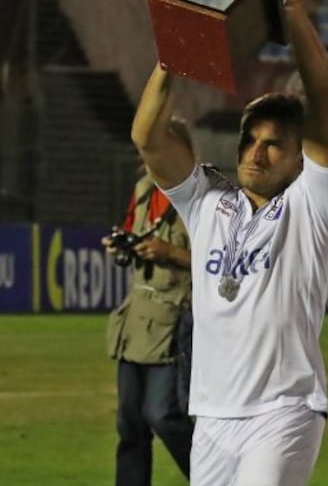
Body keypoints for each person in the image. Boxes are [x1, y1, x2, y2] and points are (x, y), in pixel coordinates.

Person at [130, 0, 328, 485]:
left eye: (273, 145)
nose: (255, 152)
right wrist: (177, 52)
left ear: (300, 158)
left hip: (284, 410)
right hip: (211, 415)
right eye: (249, 140)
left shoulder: (311, 205)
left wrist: (294, 12)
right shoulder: (208, 201)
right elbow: (148, 137)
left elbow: (322, 101)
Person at [104, 117, 195, 486]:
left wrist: (170, 251)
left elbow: (218, 258)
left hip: (174, 318)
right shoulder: (143, 188)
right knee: (129, 421)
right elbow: (133, 230)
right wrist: (123, 246)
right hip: (136, 319)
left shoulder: (199, 196)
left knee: (163, 414)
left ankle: (216, 477)